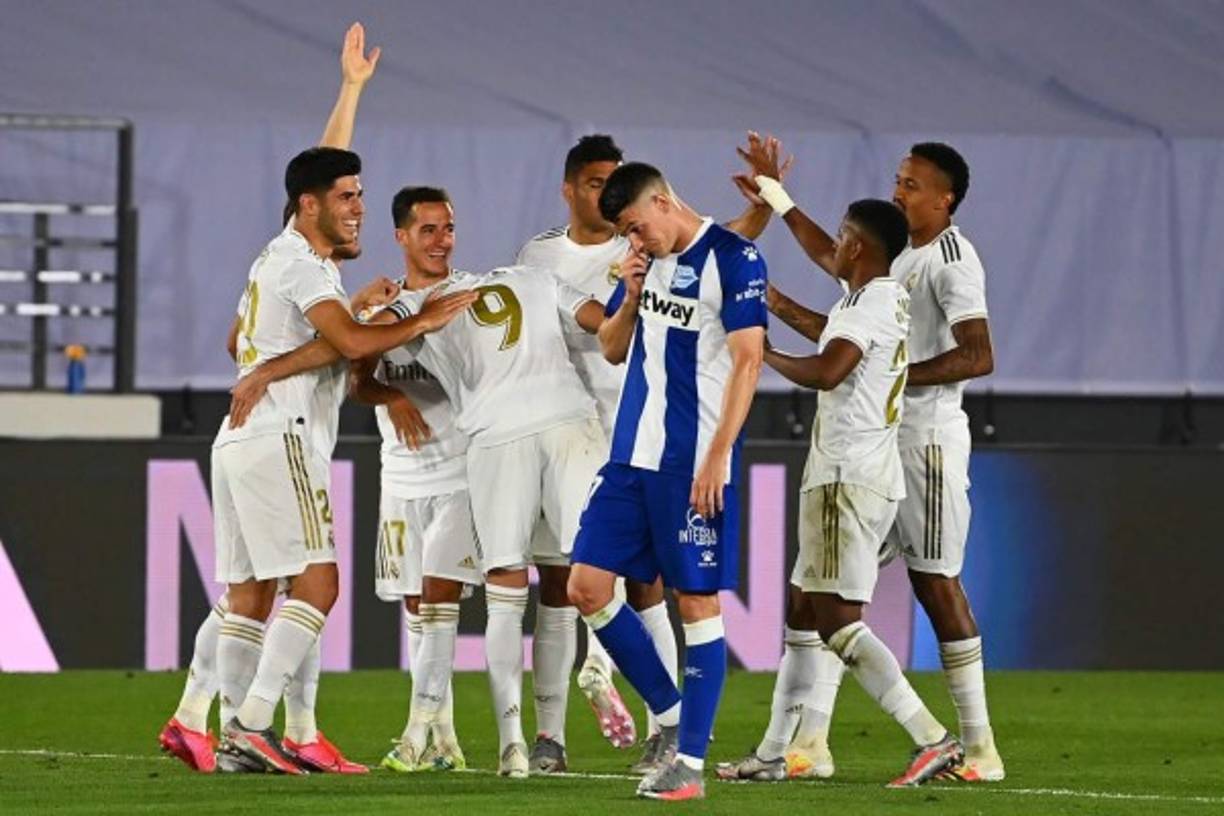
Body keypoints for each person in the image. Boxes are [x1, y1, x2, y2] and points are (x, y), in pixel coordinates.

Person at [157, 23, 400, 774]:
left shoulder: (277, 255)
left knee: (252, 593)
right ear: (311, 206)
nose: (358, 208)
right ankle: (254, 725)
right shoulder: (305, 267)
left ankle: (214, 724)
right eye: (348, 199)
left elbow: (239, 340)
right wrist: (411, 319)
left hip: (241, 439)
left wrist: (351, 90)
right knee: (316, 584)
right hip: (281, 434)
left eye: (361, 196)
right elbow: (350, 344)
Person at [738, 134, 1003, 783]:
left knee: (932, 584)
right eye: (898, 180)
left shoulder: (950, 259)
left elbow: (978, 354)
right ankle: (804, 745)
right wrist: (775, 198)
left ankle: (974, 747)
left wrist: (890, 372)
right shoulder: (886, 271)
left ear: (945, 199)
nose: (899, 190)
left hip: (922, 443)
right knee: (812, 600)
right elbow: (836, 289)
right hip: (875, 445)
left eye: (912, 184)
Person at [515, 134, 775, 771]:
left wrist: (718, 455)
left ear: (663, 201)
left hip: (692, 464)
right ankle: (673, 716)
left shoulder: (734, 258)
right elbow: (610, 347)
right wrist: (630, 294)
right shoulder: (641, 263)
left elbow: (749, 362)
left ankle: (688, 764)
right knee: (585, 586)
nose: (634, 240)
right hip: (630, 457)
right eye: (625, 233)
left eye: (636, 227)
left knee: (695, 603)